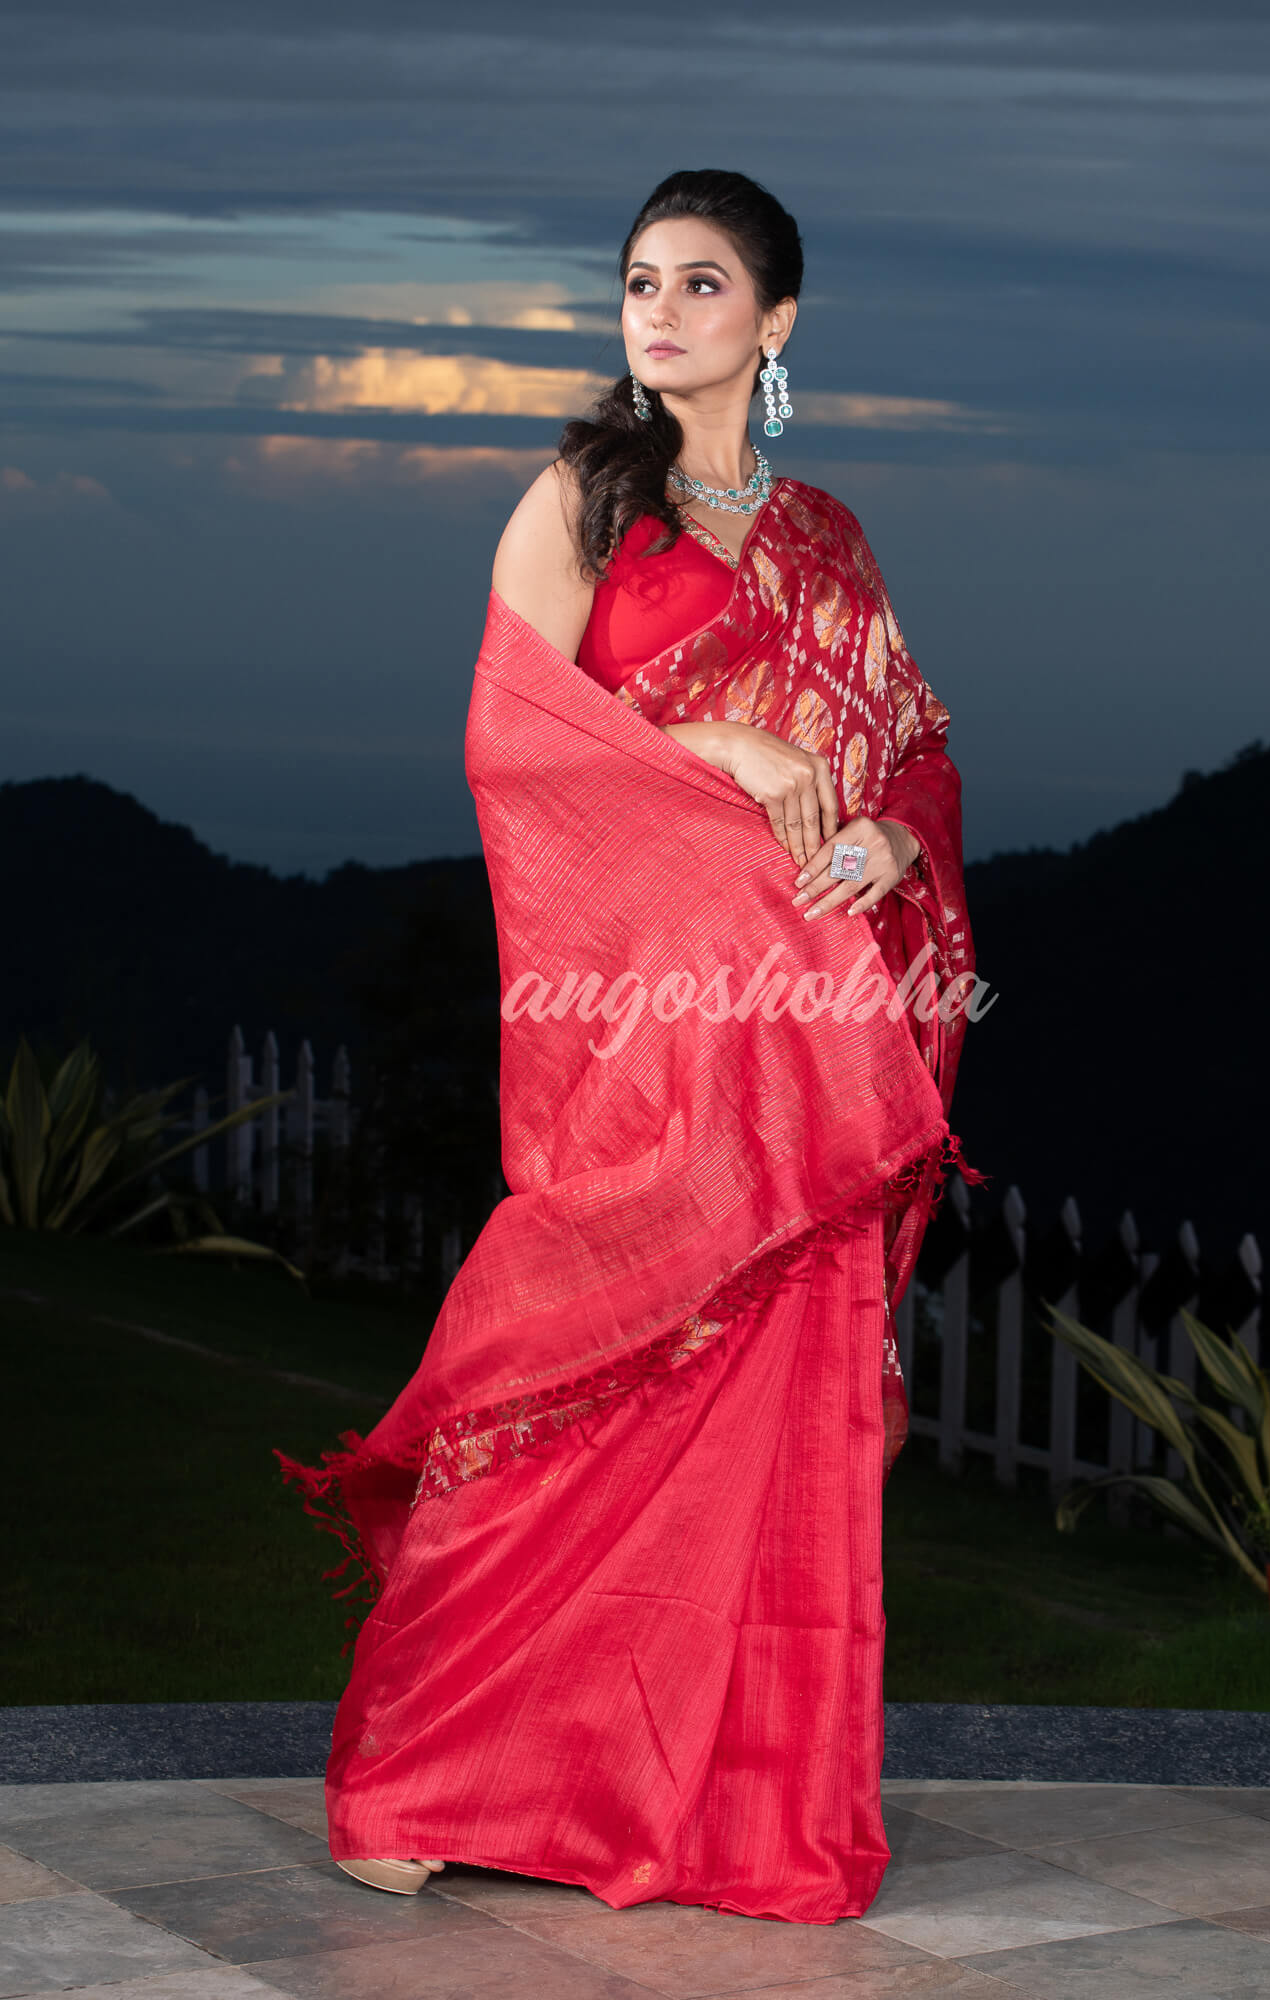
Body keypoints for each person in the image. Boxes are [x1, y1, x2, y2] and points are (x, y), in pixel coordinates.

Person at [277, 167, 982, 1927]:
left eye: (701, 283)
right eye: (639, 281)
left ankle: (742, 1812)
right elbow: (514, 744)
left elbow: (914, 751)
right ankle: (416, 1774)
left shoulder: (827, 542)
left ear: (779, 321)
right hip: (646, 1040)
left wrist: (895, 840)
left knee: (767, 1432)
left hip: (803, 1049)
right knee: (561, 1389)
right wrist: (724, 762)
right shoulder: (585, 505)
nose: (658, 311)